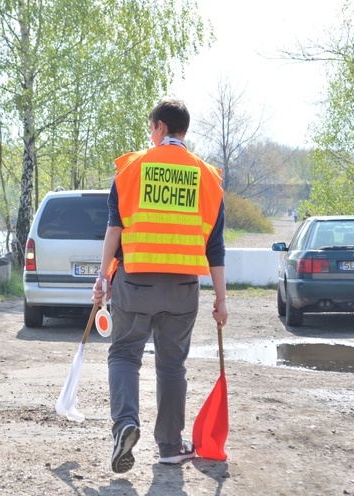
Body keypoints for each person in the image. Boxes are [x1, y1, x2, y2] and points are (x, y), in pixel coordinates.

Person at [92, 99, 228, 473]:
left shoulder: (131, 169)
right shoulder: (208, 178)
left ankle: (126, 425)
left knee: (124, 356)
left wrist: (103, 278)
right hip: (183, 289)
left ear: (161, 128)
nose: (150, 135)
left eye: (151, 128)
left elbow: (114, 230)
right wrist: (221, 299)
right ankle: (169, 446)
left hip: (134, 284)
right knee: (172, 367)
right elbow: (215, 247)